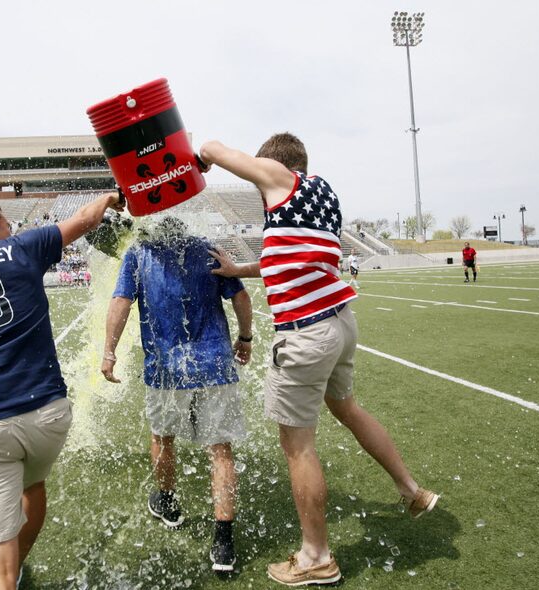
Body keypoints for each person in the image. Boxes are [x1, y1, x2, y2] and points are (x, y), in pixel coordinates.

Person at [199, 133, 438, 587]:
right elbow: (285, 258)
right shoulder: (322, 194)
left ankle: (316, 557)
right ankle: (411, 490)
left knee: (298, 447)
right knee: (346, 407)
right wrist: (237, 271)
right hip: (341, 322)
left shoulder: (279, 177)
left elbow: (214, 149)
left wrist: (202, 158)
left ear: (276, 165)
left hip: (307, 333)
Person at [0, 193, 122, 590]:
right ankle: (18, 564)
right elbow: (84, 219)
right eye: (6, 223)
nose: (11, 228)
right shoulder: (21, 249)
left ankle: (4, 573)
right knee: (32, 485)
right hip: (48, 415)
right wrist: (111, 196)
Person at [101, 217, 253, 573]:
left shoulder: (139, 253)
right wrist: (245, 338)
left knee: (163, 438)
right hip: (215, 364)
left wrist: (109, 351)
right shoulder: (207, 250)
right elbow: (242, 299)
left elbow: (121, 302)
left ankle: (168, 502)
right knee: (220, 449)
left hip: (166, 368)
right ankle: (223, 542)